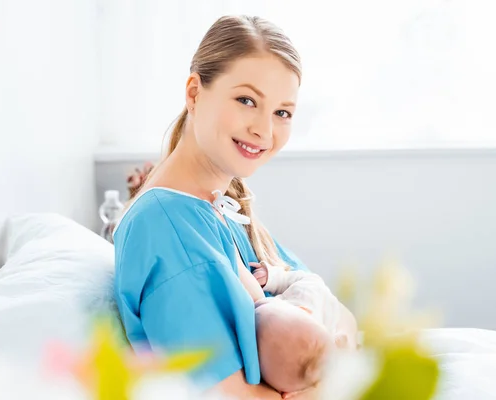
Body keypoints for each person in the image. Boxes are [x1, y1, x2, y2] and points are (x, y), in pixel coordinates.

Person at [113, 15, 357, 399]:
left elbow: (328, 315)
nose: (265, 130)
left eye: (282, 112)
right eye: (247, 100)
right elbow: (224, 393)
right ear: (194, 92)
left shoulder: (222, 211)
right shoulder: (164, 226)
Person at [249, 262, 359, 397]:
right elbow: (310, 279)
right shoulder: (309, 296)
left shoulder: (307, 296)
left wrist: (276, 277)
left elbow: (309, 279)